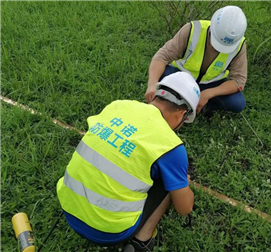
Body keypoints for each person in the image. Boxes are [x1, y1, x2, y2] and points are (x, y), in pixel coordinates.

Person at [56, 72, 200, 252]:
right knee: (169, 179)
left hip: (68, 206)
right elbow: (184, 208)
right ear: (181, 114)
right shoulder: (171, 147)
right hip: (109, 231)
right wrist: (183, 182)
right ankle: (142, 240)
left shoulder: (117, 106)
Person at [145, 5, 248, 117]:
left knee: (237, 102)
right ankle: (173, 102)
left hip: (210, 84)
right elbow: (162, 56)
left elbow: (239, 80)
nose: (218, 49)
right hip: (181, 77)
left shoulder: (239, 45)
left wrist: (209, 93)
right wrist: (152, 84)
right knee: (161, 76)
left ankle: (205, 106)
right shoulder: (193, 30)